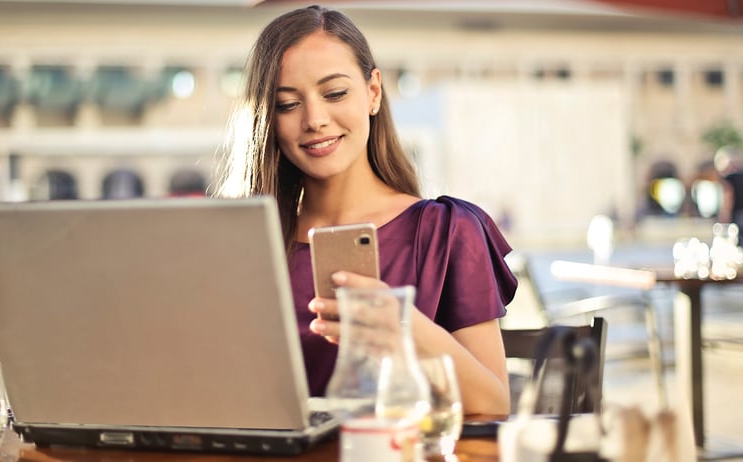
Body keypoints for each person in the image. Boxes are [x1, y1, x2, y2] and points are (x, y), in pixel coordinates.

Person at [215, 5, 517, 415]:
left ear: (373, 92)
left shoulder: (446, 230)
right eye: (288, 104)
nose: (315, 120)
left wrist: (402, 327)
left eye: (335, 93)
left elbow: (494, 403)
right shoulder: (243, 243)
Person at [715, 145, 743, 262]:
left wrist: (725, 213)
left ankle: (734, 266)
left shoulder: (728, 178)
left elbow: (728, 196)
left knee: (732, 240)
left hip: (735, 213)